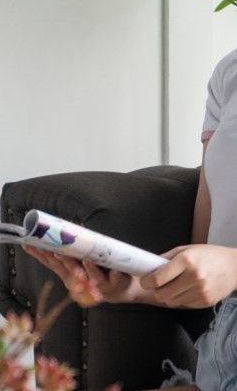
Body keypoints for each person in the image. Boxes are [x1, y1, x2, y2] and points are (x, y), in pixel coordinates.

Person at [25, 49, 237, 391]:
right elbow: (201, 256)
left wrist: (233, 266)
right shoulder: (230, 73)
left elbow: (225, 266)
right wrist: (134, 286)